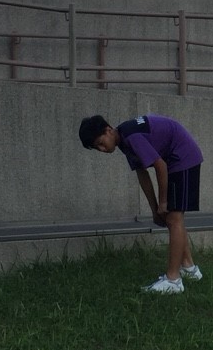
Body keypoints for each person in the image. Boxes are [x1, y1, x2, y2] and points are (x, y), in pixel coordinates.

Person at [79, 113, 204, 294]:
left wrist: (163, 202)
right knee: (172, 219)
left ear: (108, 130)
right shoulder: (123, 140)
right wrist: (154, 210)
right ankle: (189, 268)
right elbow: (142, 174)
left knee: (174, 219)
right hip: (175, 160)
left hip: (183, 157)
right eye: (97, 148)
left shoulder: (131, 136)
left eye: (100, 143)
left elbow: (160, 166)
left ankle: (173, 280)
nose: (102, 149)